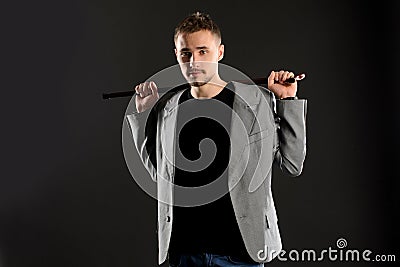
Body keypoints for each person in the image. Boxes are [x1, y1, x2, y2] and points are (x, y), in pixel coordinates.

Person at [126, 12, 307, 267]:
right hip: (185, 254)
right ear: (176, 55)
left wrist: (287, 101)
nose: (194, 62)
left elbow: (292, 163)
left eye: (203, 52)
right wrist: (144, 115)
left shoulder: (255, 102)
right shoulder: (168, 109)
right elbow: (159, 175)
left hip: (241, 254)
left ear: (219, 52)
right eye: (185, 53)